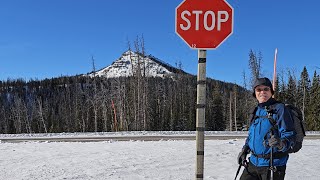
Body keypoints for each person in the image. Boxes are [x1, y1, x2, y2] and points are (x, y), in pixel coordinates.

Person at [237, 77, 296, 180]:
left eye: (266, 89)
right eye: (258, 90)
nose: (262, 92)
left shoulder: (280, 109)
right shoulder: (256, 110)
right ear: (255, 93)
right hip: (253, 163)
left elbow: (290, 135)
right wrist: (245, 150)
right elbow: (251, 135)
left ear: (271, 91)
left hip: (273, 165)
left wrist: (281, 143)